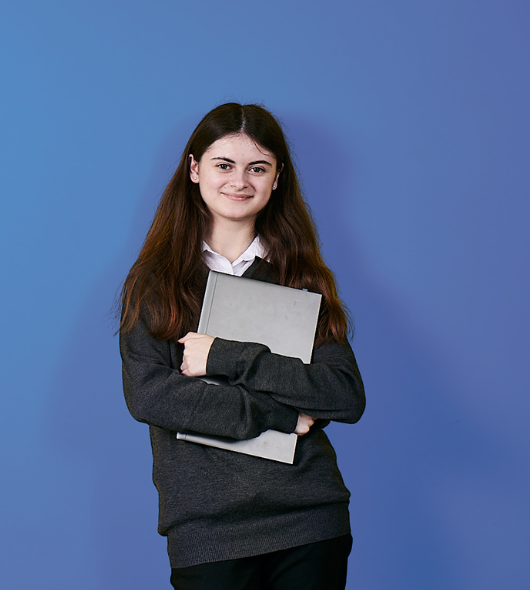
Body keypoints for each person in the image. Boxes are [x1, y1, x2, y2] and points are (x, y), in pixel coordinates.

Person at [118, 103, 365, 590]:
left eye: (258, 168)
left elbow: (343, 395)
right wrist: (279, 414)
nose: (240, 181)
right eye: (223, 165)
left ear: (277, 179)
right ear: (194, 170)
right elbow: (152, 396)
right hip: (207, 528)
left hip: (309, 518)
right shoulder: (156, 283)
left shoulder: (302, 279)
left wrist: (224, 357)